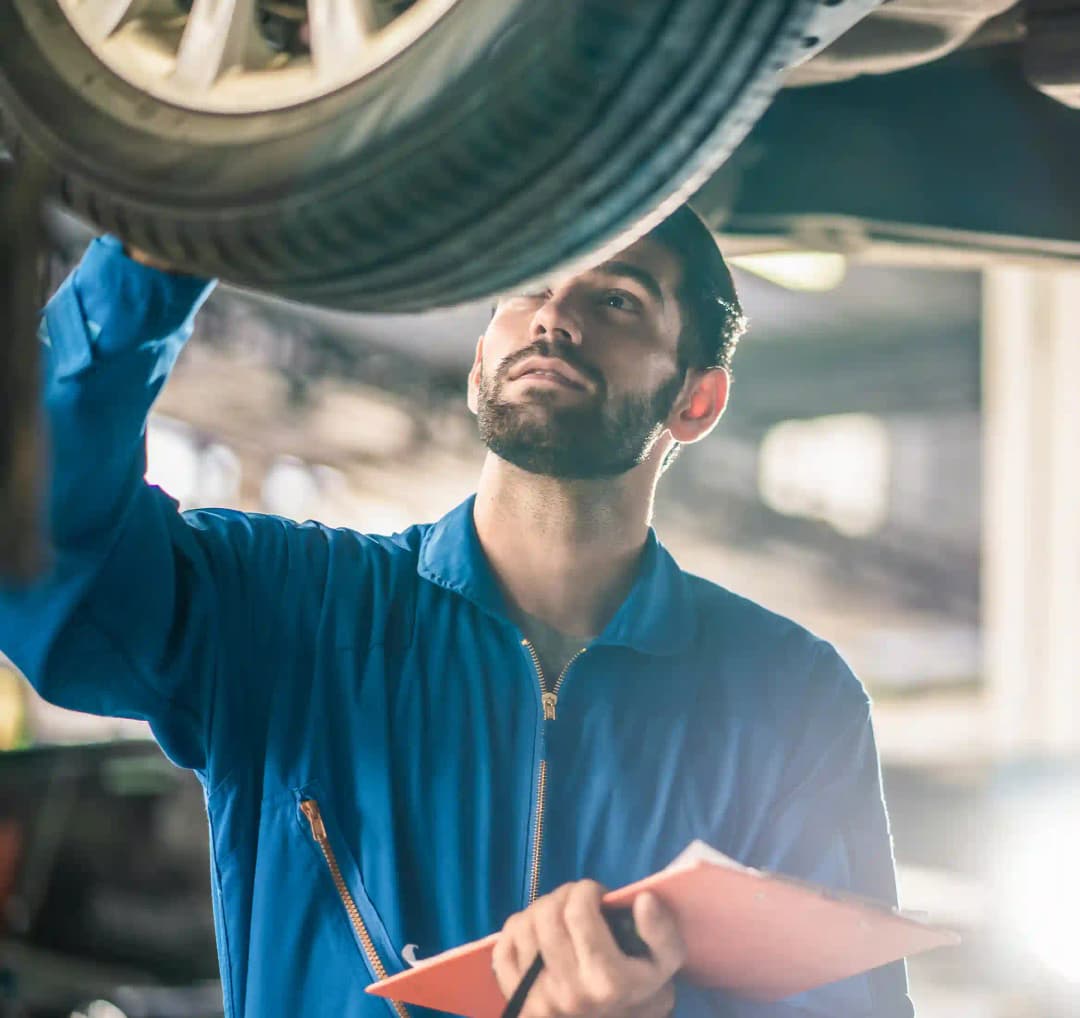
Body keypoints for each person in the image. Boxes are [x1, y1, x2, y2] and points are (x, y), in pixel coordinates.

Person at [0, 206, 913, 1018]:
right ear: (483, 353)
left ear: (696, 398)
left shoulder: (792, 699)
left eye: (619, 300)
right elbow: (45, 565)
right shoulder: (290, 612)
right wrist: (158, 243)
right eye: (531, 287)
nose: (556, 316)